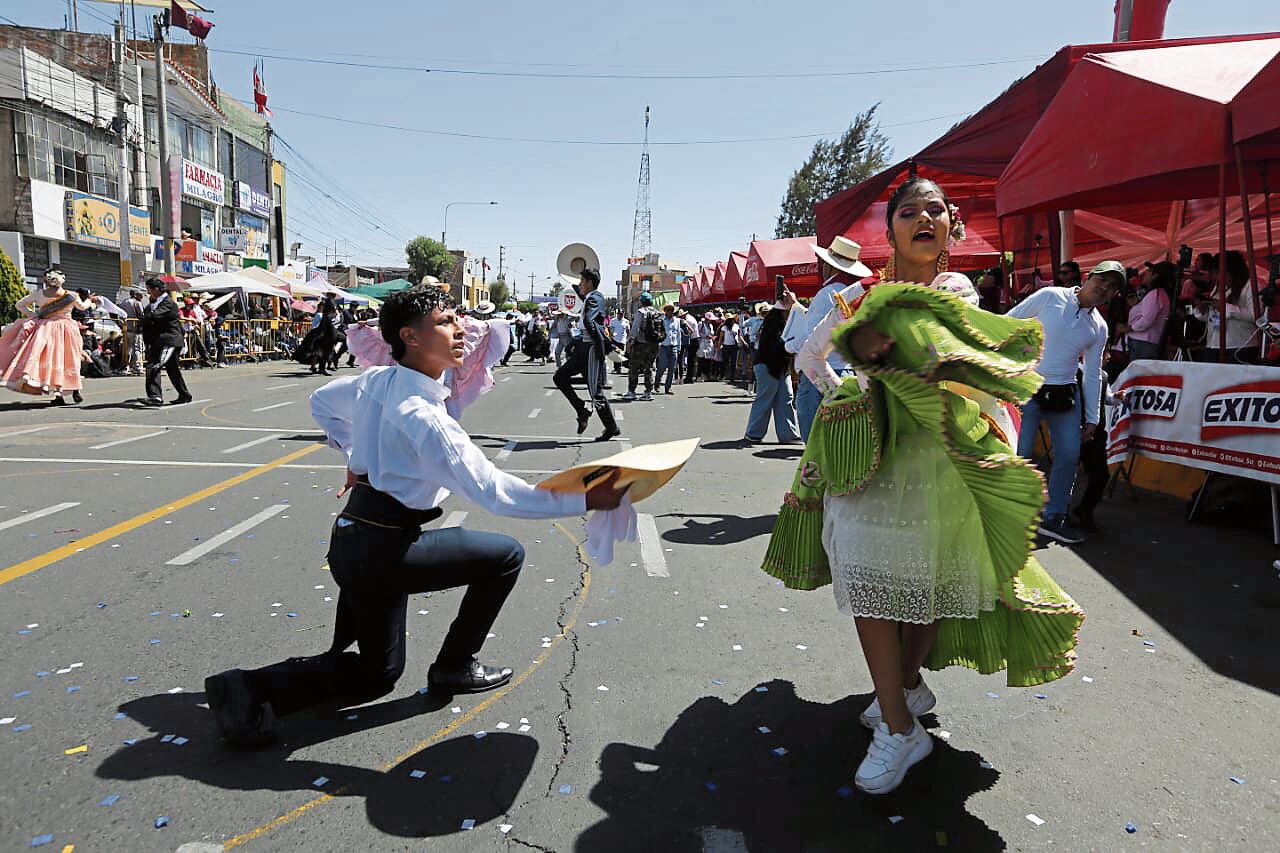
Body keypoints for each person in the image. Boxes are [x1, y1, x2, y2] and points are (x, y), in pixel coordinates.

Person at [763, 176, 1083, 796]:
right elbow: (809, 359)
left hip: (940, 459)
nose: (923, 219)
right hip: (868, 462)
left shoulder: (955, 289)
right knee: (865, 580)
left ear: (949, 225)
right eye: (908, 212)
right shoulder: (859, 295)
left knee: (927, 582)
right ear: (890, 232)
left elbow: (948, 358)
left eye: (934, 210)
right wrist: (846, 396)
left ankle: (900, 693)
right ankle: (899, 722)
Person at [204, 284, 627, 747]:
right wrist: (586, 499)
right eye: (446, 322)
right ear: (410, 336)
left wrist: (353, 453)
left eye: (458, 320)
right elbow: (497, 493)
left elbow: (321, 401)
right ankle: (454, 666)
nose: (461, 329)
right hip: (384, 549)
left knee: (375, 674)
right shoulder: (424, 416)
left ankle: (245, 687)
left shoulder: (379, 381)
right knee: (504, 556)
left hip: (354, 539)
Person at [1007, 260, 1120, 545]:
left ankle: (1054, 516)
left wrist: (1093, 418)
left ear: (1113, 294)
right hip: (1026, 385)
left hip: (1065, 394)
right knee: (1018, 453)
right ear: (1089, 277)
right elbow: (1009, 321)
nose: (1104, 286)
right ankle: (1007, 514)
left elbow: (1093, 373)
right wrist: (1001, 367)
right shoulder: (1050, 296)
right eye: (1102, 279)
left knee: (1069, 455)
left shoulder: (1099, 326)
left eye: (1112, 285)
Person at [782, 236, 873, 440]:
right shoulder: (857, 293)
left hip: (821, 370)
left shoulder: (827, 293)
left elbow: (810, 337)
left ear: (828, 266)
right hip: (849, 370)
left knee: (815, 437)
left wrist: (788, 345)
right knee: (842, 435)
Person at [0, 269, 93, 404]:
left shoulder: (39, 294)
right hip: (67, 328)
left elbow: (19, 305)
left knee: (53, 360)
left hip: (46, 328)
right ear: (62, 279)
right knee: (70, 358)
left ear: (46, 280)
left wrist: (34, 315)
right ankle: (75, 390)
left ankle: (58, 395)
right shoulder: (72, 295)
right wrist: (90, 300)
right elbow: (83, 307)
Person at [553, 269, 621, 441]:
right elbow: (579, 293)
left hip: (590, 348)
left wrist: (600, 347)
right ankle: (581, 409)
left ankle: (611, 427)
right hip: (583, 345)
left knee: (595, 392)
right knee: (560, 377)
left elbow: (590, 322)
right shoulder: (589, 297)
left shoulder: (595, 297)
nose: (579, 285)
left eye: (582, 281)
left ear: (590, 282)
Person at [744, 297, 800, 444]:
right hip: (769, 366)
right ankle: (754, 433)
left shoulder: (778, 323)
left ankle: (787, 434)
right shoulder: (776, 324)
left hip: (776, 366)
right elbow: (777, 347)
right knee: (767, 399)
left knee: (784, 399)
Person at [1191, 250, 1261, 363]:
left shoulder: (1251, 285)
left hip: (1239, 346)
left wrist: (1226, 308)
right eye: (1214, 273)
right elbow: (1213, 317)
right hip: (1213, 345)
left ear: (1232, 271)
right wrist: (1202, 310)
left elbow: (1256, 316)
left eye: (1218, 272)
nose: (1216, 277)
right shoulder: (1220, 287)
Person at [141, 277, 192, 406]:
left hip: (169, 340)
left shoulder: (168, 303)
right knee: (172, 369)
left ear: (156, 290)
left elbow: (155, 316)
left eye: (149, 289)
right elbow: (147, 318)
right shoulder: (154, 303)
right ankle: (184, 394)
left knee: (154, 365)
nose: (148, 292)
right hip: (159, 341)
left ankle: (155, 396)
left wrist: (149, 312)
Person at [1120, 262, 1173, 360]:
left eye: (1149, 271)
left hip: (1144, 343)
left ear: (1155, 276)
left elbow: (1147, 320)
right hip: (1143, 342)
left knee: (1140, 372)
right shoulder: (1157, 293)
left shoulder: (1155, 294)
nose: (1145, 273)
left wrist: (1129, 328)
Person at [625, 292, 661, 401]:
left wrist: (630, 342)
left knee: (634, 367)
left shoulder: (641, 312)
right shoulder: (657, 312)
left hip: (641, 344)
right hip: (654, 344)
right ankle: (648, 392)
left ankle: (632, 391)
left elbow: (635, 329)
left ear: (641, 302)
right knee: (649, 367)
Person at [654, 303, 682, 395]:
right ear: (665, 311)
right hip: (663, 346)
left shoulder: (677, 321)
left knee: (672, 368)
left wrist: (679, 346)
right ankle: (657, 382)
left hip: (673, 346)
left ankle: (668, 387)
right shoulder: (661, 320)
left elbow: (678, 334)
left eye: (671, 310)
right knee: (662, 367)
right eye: (668, 310)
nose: (669, 312)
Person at [119, 288, 147, 376]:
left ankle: (126, 366)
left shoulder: (123, 302)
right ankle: (138, 367)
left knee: (128, 348)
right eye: (140, 295)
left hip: (126, 328)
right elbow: (142, 315)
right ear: (135, 295)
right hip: (136, 329)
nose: (141, 297)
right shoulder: (136, 303)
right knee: (138, 348)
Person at [719, 312, 741, 383]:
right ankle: (722, 375)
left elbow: (739, 336)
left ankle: (732, 377)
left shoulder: (736, 326)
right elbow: (721, 337)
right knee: (724, 361)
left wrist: (743, 342)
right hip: (726, 346)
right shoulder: (724, 327)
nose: (732, 320)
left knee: (733, 362)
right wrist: (719, 345)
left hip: (734, 346)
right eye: (731, 319)